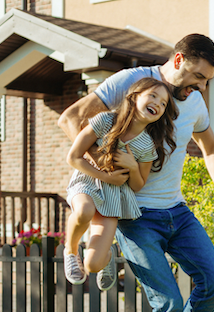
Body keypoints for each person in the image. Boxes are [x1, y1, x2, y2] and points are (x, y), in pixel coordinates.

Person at [58, 34, 214, 312]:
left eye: (207, 80)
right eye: (197, 76)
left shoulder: (193, 101)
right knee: (168, 303)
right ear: (178, 60)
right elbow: (72, 118)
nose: (202, 87)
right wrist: (106, 164)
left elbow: (210, 150)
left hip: (177, 211)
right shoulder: (130, 82)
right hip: (134, 215)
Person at [63, 78, 178, 291]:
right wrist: (105, 176)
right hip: (88, 181)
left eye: (163, 103)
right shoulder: (105, 121)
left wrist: (133, 167)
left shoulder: (147, 146)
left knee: (92, 264)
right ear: (134, 97)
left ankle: (106, 256)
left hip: (114, 196)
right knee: (84, 210)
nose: (158, 104)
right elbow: (74, 157)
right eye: (153, 95)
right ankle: (70, 251)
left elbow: (137, 185)